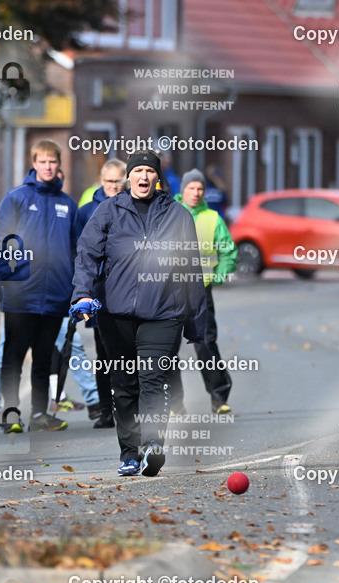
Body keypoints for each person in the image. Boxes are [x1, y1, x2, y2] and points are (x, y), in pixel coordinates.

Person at [72, 150, 207, 477]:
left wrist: (195, 321)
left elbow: (191, 269)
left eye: (149, 171)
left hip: (163, 312)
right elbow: (87, 254)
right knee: (124, 384)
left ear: (157, 177)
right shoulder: (109, 210)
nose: (143, 176)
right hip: (116, 314)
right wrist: (83, 294)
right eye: (138, 171)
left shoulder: (177, 215)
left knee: (153, 379)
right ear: (128, 176)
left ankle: (152, 446)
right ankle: (129, 453)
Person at [0, 139, 79, 432]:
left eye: (53, 162)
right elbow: (0, 240)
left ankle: (40, 414)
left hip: (55, 295)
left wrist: (72, 289)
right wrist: (10, 283)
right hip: (21, 296)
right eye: (43, 161)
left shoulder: (67, 204)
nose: (48, 167)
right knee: (13, 357)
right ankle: (10, 415)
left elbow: (76, 250)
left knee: (44, 359)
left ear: (59, 165)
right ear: (34, 164)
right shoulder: (17, 198)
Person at [168, 168, 238, 414]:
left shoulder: (212, 218)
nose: (196, 193)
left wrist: (220, 274)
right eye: (191, 188)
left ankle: (219, 397)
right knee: (168, 346)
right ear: (183, 190)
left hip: (201, 291)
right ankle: (175, 403)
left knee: (206, 344)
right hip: (171, 291)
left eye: (200, 188)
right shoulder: (168, 213)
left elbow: (228, 251)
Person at [72, 159, 128, 428]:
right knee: (104, 355)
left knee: (127, 355)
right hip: (99, 295)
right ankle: (106, 409)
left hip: (127, 294)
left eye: (118, 181)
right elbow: (78, 253)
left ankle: (128, 409)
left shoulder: (133, 208)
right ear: (101, 181)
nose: (113, 186)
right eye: (109, 181)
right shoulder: (86, 212)